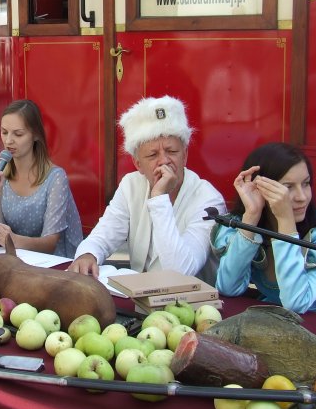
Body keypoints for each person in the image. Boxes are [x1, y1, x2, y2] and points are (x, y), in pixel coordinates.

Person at [68, 96, 225, 283]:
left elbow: (180, 272)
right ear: (137, 164)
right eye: (152, 155)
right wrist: (88, 254)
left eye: (172, 151)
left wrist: (159, 198)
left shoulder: (208, 200)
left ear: (185, 155)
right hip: (142, 299)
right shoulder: (131, 185)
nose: (164, 161)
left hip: (193, 306)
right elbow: (103, 234)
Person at [211, 142, 316, 319]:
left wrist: (285, 223)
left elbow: (297, 303)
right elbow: (228, 288)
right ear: (259, 189)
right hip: (277, 328)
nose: (302, 197)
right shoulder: (247, 224)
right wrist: (251, 216)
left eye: (306, 184)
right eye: (288, 187)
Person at [0, 99, 83, 257]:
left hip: (52, 265)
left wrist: (14, 240)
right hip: (14, 260)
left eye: (18, 134)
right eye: (4, 132)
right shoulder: (2, 175)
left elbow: (50, 243)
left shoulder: (56, 178)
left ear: (35, 135)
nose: (8, 141)